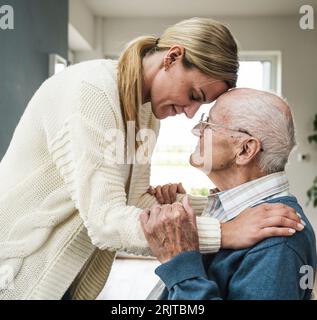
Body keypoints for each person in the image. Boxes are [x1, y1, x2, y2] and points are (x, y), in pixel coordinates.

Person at [0, 18, 301, 300]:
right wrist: (225, 231)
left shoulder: (146, 112)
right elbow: (105, 221)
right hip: (18, 275)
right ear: (172, 57)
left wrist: (183, 207)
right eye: (194, 95)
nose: (191, 113)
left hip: (67, 278)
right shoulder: (90, 92)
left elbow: (133, 203)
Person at [142, 88, 316, 300]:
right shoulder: (241, 216)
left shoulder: (278, 241)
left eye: (209, 124)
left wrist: (181, 263)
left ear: (245, 150)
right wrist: (185, 206)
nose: (197, 129)